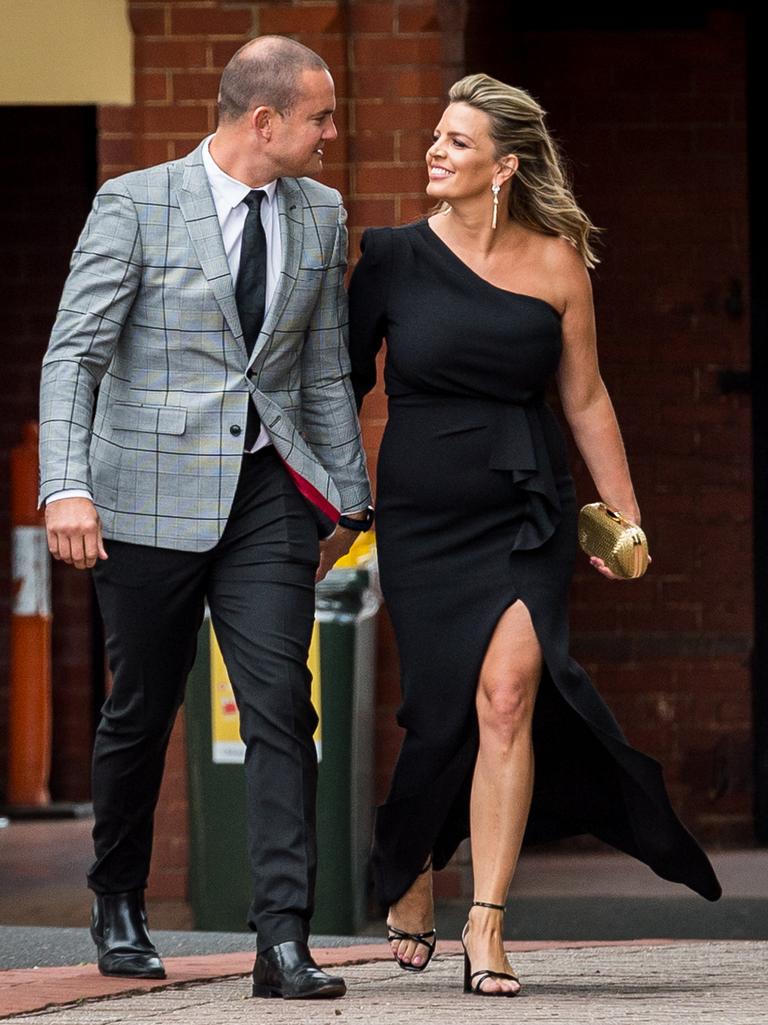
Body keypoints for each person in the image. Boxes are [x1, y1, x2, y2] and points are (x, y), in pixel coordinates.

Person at [348, 73, 721, 997]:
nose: (434, 151)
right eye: (435, 136)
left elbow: (584, 395)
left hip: (526, 508)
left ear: (503, 167)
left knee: (509, 694)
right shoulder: (390, 258)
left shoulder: (557, 263)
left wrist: (624, 511)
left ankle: (488, 920)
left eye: (457, 142)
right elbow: (341, 387)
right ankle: (413, 866)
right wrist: (337, 508)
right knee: (440, 714)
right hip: (423, 513)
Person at [39, 36, 373, 1001]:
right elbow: (75, 356)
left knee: (280, 704)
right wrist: (66, 485)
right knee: (141, 705)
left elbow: (320, 368)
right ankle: (117, 896)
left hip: (266, 491)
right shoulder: (134, 203)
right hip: (142, 497)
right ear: (264, 121)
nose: (332, 134)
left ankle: (282, 940)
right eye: (319, 117)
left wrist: (347, 499)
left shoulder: (321, 213)